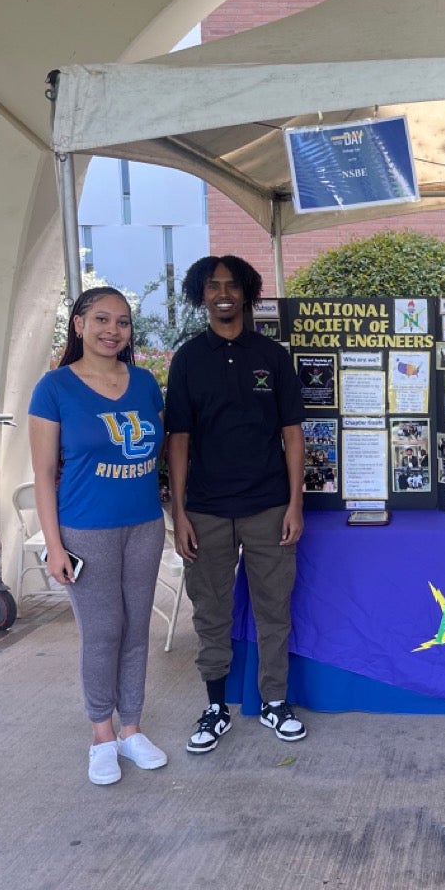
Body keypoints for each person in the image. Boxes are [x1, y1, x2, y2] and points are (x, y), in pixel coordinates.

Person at [165, 255, 307, 754]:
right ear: (200, 295)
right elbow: (177, 439)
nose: (222, 293)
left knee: (274, 609)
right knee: (211, 611)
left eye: (231, 285)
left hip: (268, 505)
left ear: (246, 293)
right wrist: (179, 512)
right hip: (205, 509)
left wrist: (295, 504)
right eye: (212, 286)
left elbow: (293, 433)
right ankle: (215, 707)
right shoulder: (187, 359)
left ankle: (274, 701)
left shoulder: (272, 354)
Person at [28, 287, 167, 786]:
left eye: (124, 322)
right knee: (103, 630)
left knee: (135, 629)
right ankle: (101, 734)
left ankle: (131, 729)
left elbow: (161, 453)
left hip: (145, 525)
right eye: (102, 319)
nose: (114, 330)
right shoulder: (55, 387)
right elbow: (44, 473)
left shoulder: (147, 383)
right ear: (79, 325)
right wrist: (55, 544)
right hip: (85, 530)